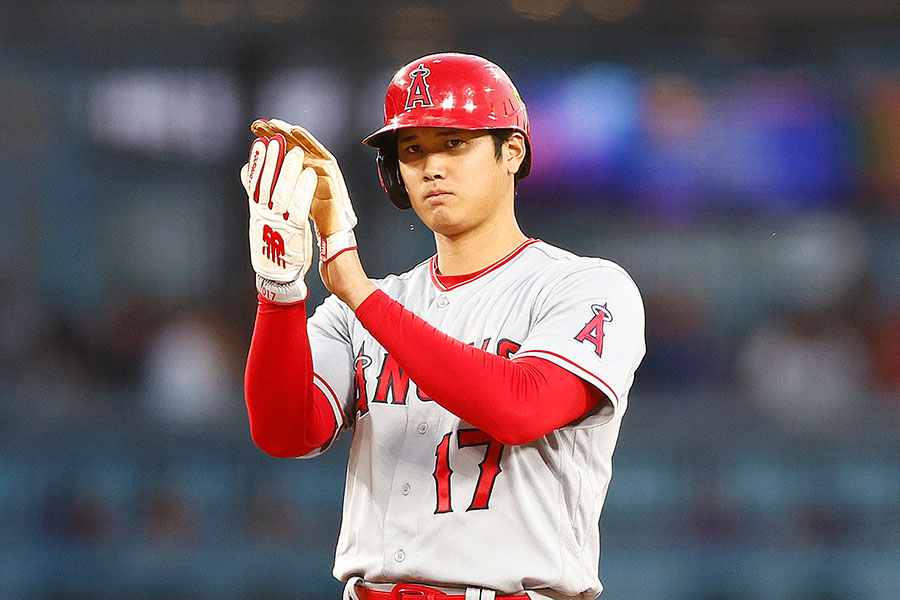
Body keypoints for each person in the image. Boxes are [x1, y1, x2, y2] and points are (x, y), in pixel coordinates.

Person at [241, 52, 646, 600]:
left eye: (454, 142)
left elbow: (520, 407)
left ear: (512, 150)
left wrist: (357, 290)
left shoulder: (585, 287)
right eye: (412, 150)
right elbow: (285, 433)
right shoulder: (362, 304)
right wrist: (280, 295)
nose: (431, 166)